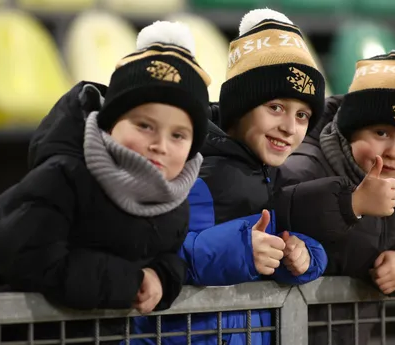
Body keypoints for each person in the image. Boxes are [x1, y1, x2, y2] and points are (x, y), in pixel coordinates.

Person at [0, 20, 211, 340]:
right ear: (110, 125)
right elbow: (31, 260)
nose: (160, 145)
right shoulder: (63, 176)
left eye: (178, 135)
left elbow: (167, 256)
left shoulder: (172, 199)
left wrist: (161, 278)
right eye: (145, 126)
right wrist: (131, 282)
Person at [132, 9, 328, 345]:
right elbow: (156, 251)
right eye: (276, 107)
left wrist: (304, 256)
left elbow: (269, 249)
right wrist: (240, 249)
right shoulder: (193, 167)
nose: (289, 127)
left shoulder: (274, 175)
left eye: (303, 115)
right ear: (240, 106)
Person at [277, 49, 395, 345]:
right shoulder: (304, 162)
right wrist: (350, 204)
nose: (394, 151)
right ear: (350, 129)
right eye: (381, 132)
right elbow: (281, 212)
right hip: (287, 332)